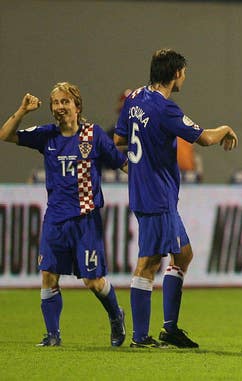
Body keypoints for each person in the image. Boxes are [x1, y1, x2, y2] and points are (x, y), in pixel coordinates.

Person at [114, 49, 238, 348]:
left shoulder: (134, 99)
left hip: (154, 193)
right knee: (148, 263)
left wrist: (137, 162)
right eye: (184, 72)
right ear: (177, 73)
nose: (185, 77)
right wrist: (226, 129)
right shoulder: (165, 109)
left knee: (183, 254)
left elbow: (119, 140)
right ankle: (141, 337)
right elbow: (206, 138)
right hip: (156, 196)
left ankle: (170, 329)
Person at [0, 82, 127, 347]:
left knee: (93, 281)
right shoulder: (47, 135)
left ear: (77, 106)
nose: (59, 107)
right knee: (48, 275)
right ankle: (52, 335)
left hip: (85, 219)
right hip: (55, 220)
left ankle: (116, 315)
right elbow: (5, 135)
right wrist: (23, 110)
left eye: (64, 102)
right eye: (55, 103)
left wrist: (149, 186)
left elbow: (123, 164)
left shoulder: (93, 136)